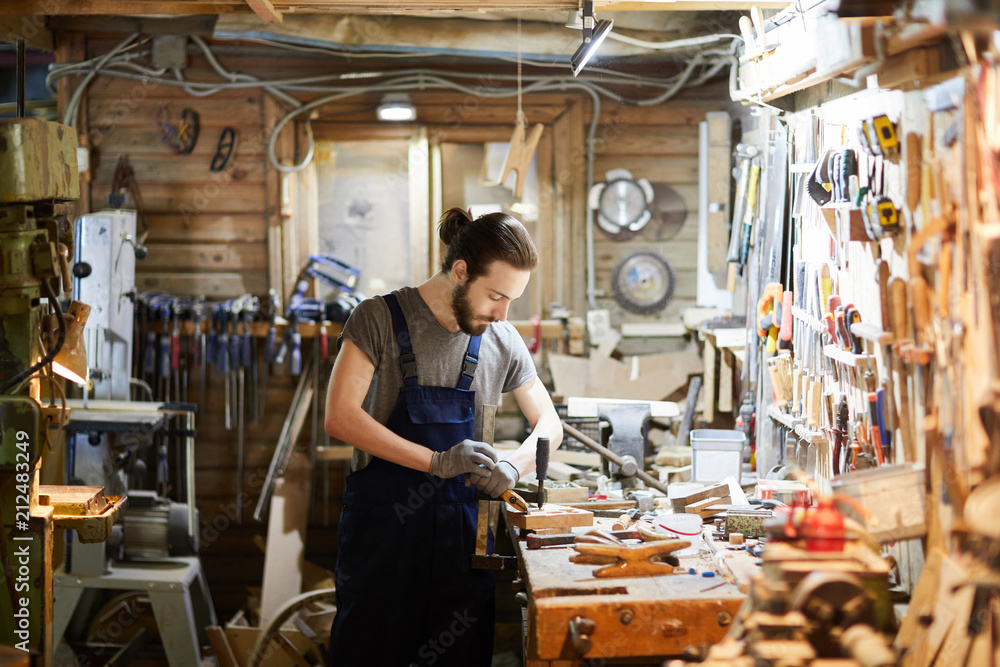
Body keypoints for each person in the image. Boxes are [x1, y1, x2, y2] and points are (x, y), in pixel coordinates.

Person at [324, 207, 563, 666]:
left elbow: (550, 425)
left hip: (462, 546)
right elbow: (340, 418)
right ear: (459, 272)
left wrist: (515, 465)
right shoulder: (377, 319)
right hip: (383, 543)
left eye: (512, 300)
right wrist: (437, 463)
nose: (502, 313)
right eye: (495, 295)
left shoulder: (501, 338)